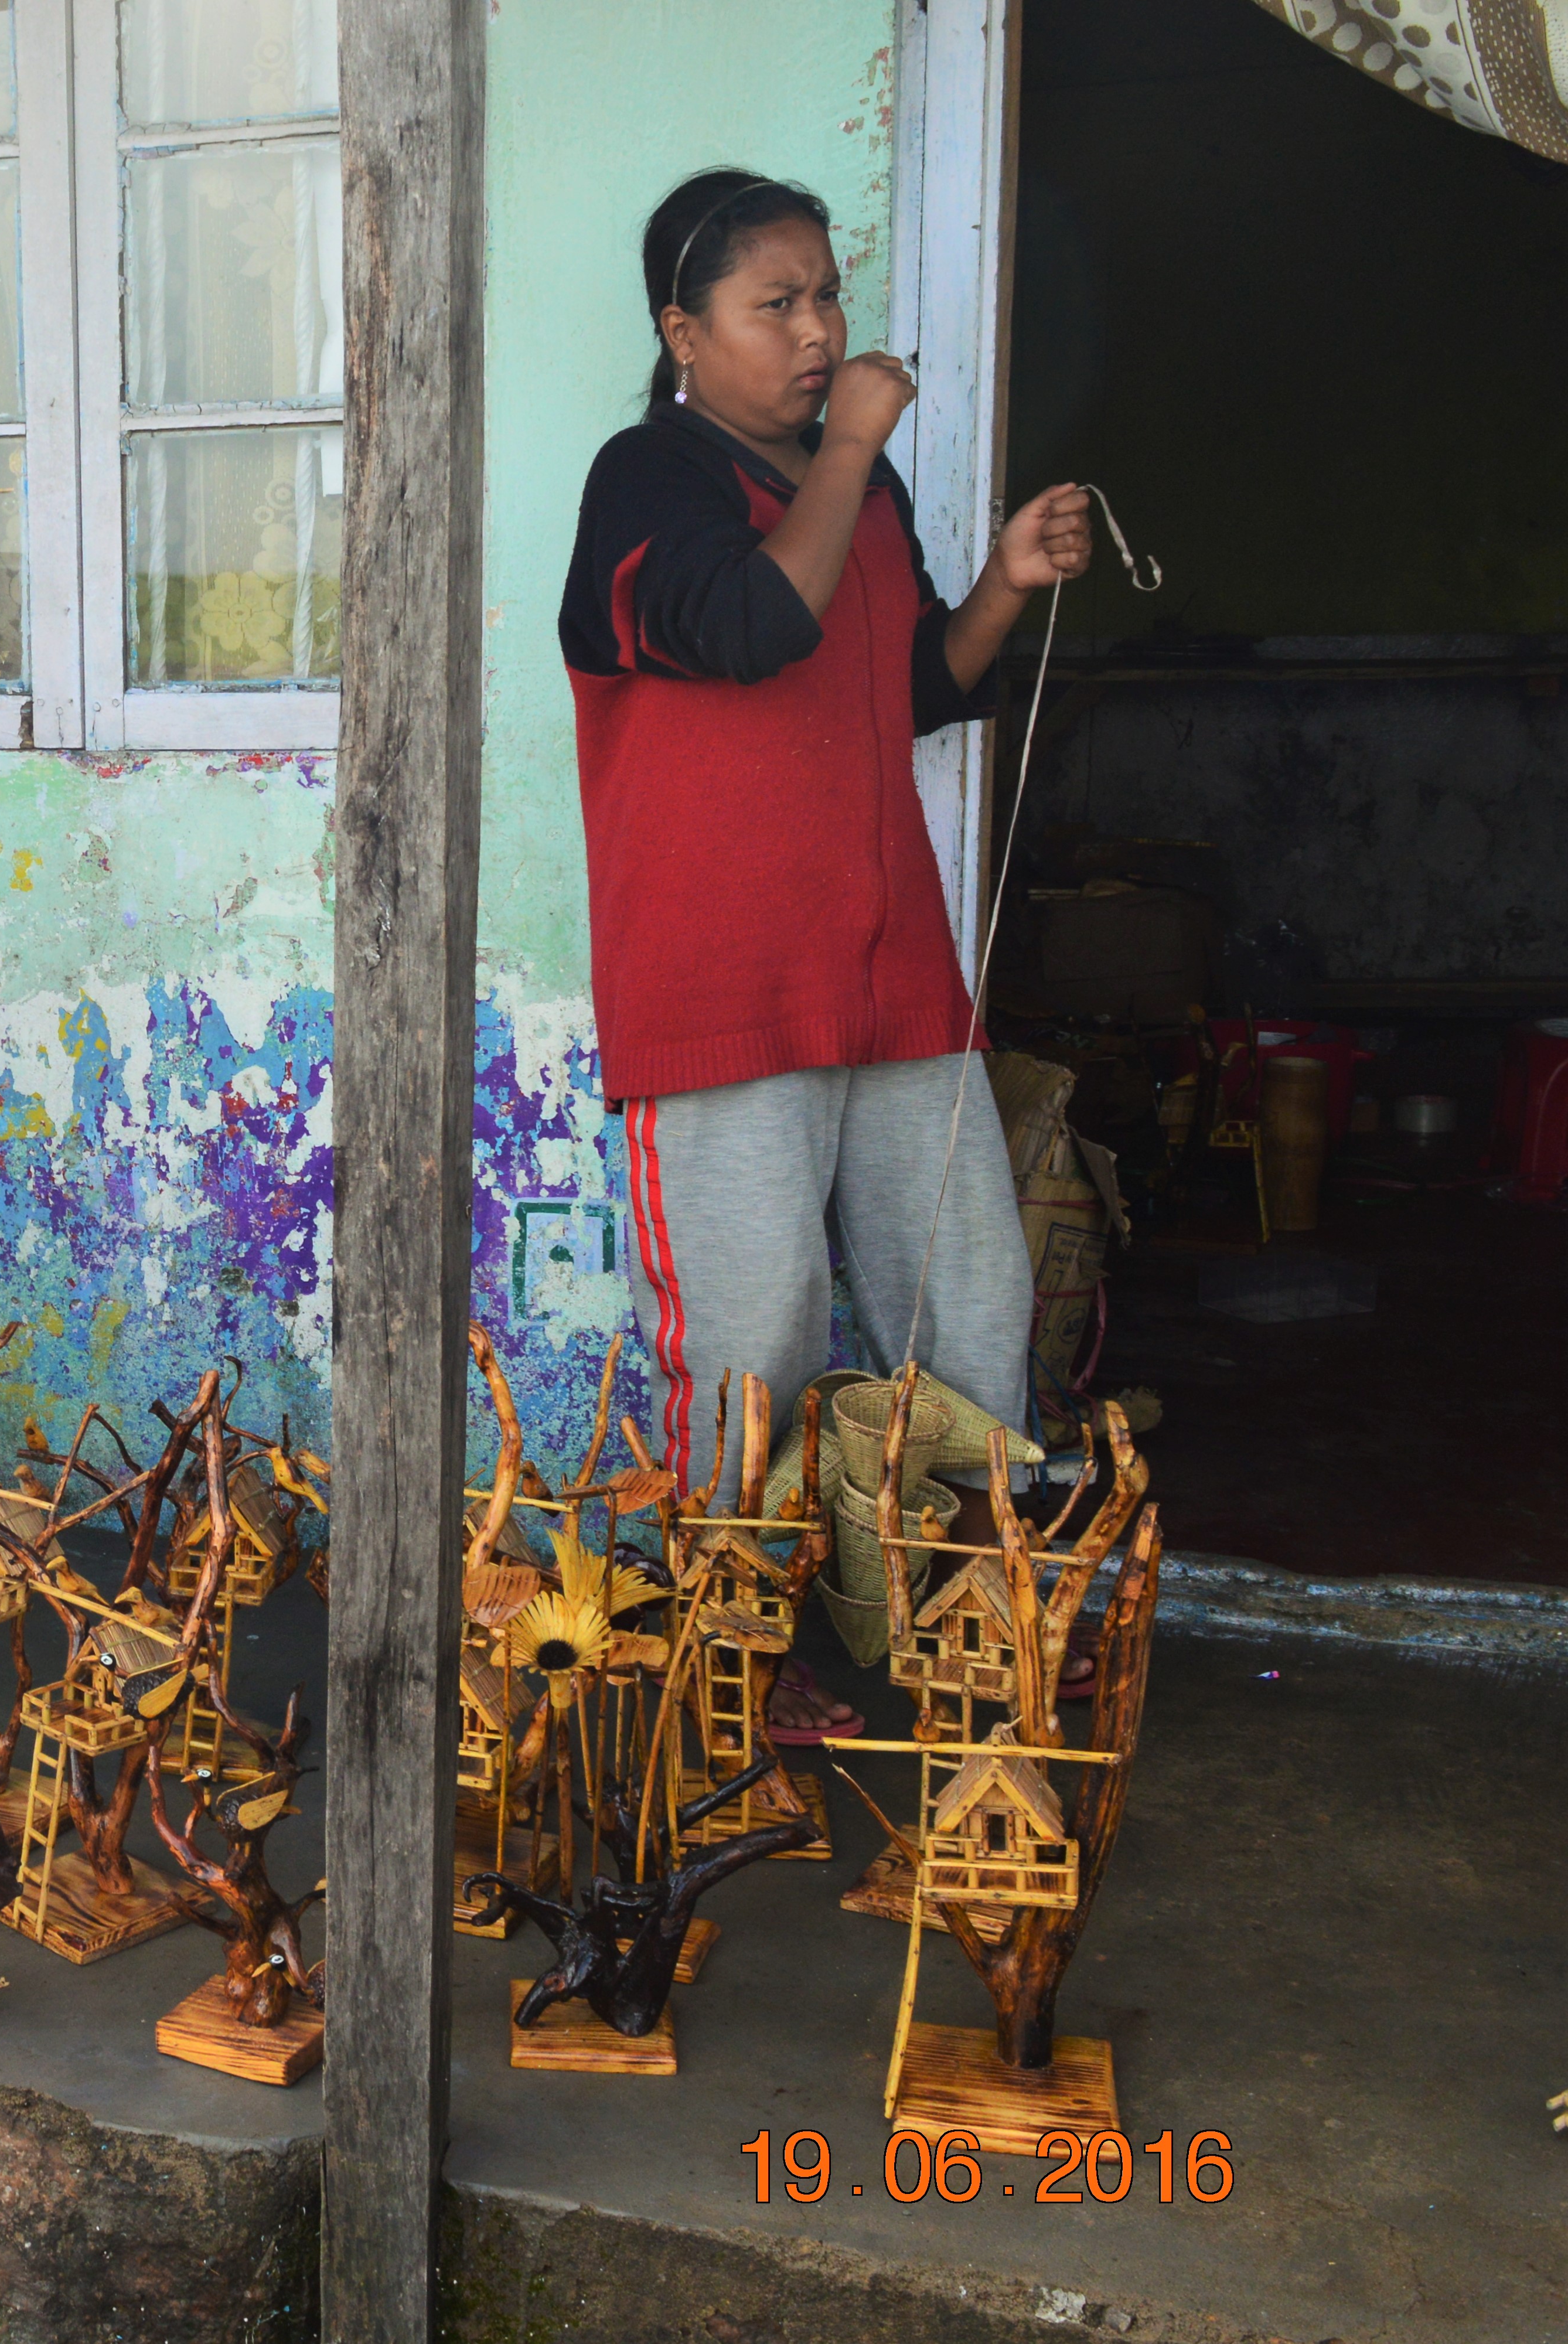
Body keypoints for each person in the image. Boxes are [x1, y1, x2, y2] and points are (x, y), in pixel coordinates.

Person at [558, 171, 1095, 1737]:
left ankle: (968, 1622)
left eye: (827, 297)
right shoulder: (646, 481)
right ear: (684, 333)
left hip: (895, 985)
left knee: (970, 1314)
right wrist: (853, 447)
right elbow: (752, 631)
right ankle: (732, 1663)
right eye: (774, 305)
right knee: (757, 1351)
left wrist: (1003, 581)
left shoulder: (858, 491)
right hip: (723, 997)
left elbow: (912, 684)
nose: (817, 333)